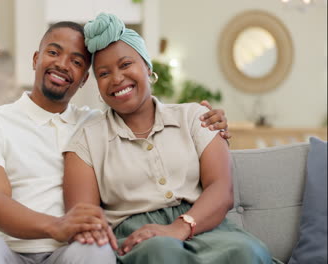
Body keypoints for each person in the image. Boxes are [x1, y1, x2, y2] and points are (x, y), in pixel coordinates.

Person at [0, 20, 230, 264]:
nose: (62, 64)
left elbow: (142, 115)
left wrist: (205, 119)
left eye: (76, 62)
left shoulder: (94, 125)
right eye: (53, 52)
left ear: (86, 79)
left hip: (72, 252)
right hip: (5, 250)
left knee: (96, 250)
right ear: (36, 58)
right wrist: (57, 226)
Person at [63, 13, 281, 264]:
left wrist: (178, 228)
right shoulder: (86, 141)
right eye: (104, 73)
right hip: (137, 242)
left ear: (147, 67)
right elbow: (84, 219)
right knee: (162, 252)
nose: (117, 78)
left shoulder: (197, 118)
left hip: (206, 228)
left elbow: (221, 190)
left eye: (125, 65)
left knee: (247, 252)